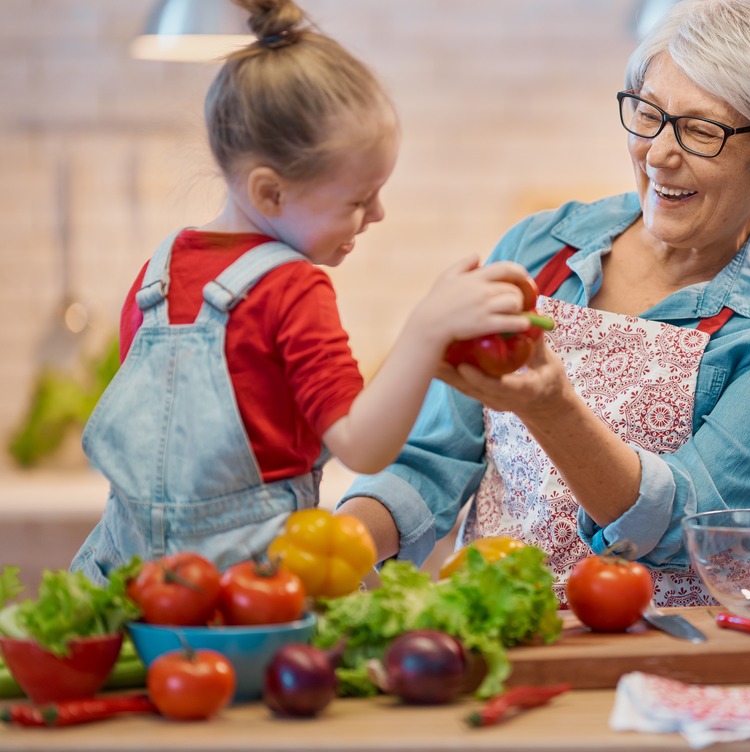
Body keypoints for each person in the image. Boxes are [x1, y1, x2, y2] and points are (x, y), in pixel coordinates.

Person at [337, 0, 750, 606]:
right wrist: (327, 547)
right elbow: (428, 463)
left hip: (682, 653)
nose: (659, 154)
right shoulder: (539, 250)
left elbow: (691, 527)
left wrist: (553, 409)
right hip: (501, 632)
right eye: (649, 113)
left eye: (701, 130)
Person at [70, 0, 533, 583]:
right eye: (358, 200)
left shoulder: (156, 275)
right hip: (247, 592)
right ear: (270, 193)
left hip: (132, 583)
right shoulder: (293, 287)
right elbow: (361, 446)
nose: (378, 214)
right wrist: (425, 330)